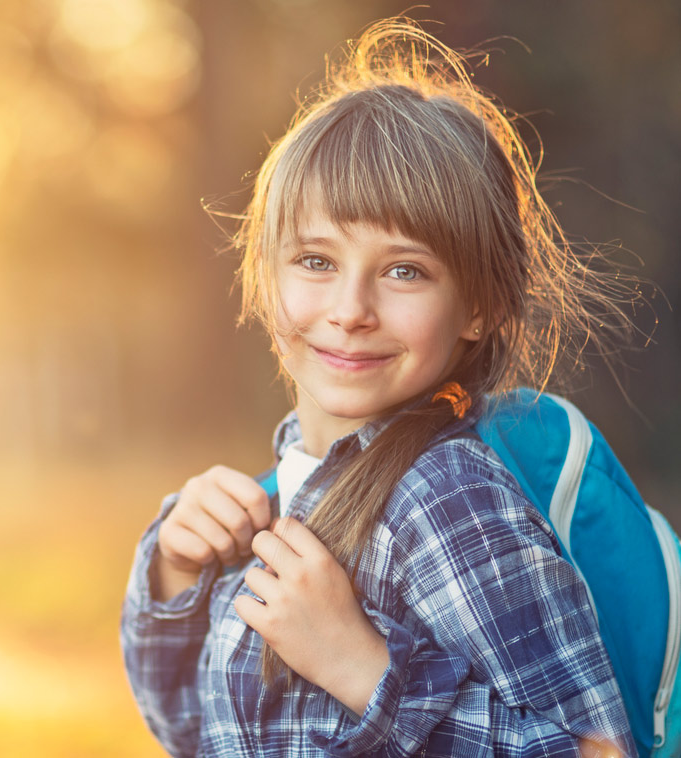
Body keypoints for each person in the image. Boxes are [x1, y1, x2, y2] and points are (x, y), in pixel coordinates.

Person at [120, 17, 641, 758]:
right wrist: (177, 572)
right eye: (315, 260)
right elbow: (186, 730)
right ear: (266, 276)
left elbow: (595, 753)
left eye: (404, 270)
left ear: (480, 305)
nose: (349, 311)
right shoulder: (282, 491)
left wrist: (365, 671)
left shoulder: (447, 499)